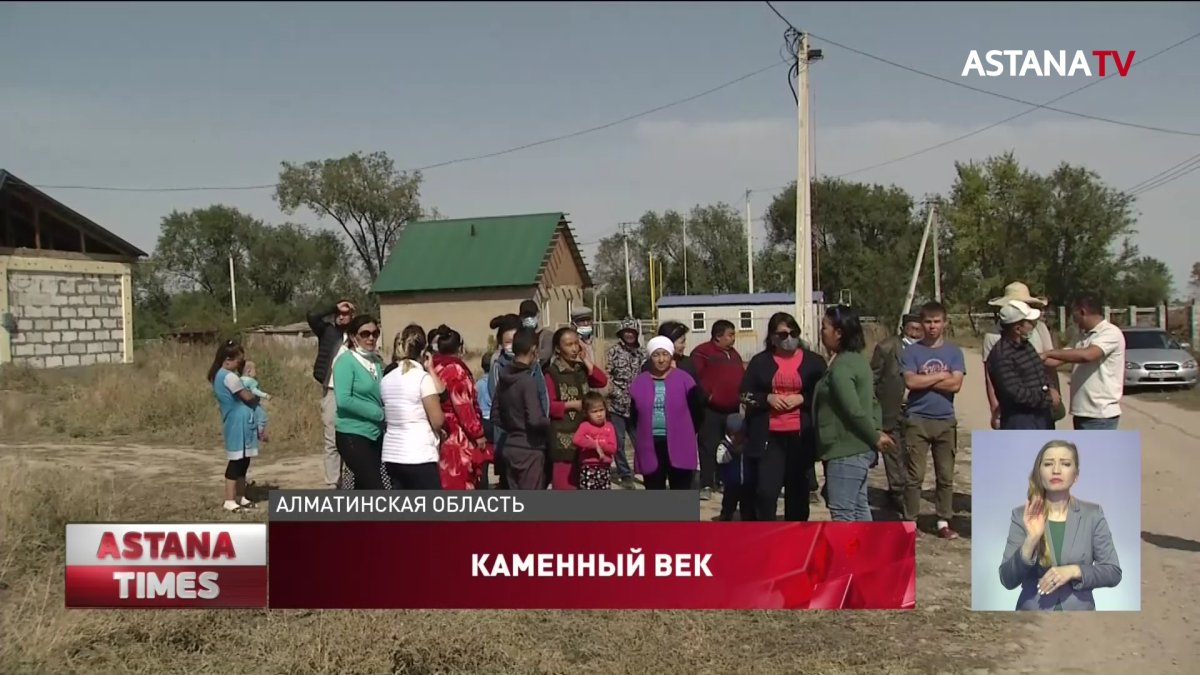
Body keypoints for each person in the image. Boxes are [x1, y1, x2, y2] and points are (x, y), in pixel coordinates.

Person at [998, 440, 1122, 610]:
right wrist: (1031, 540)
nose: (1056, 470)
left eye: (1065, 464)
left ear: (1076, 474)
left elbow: (1113, 572)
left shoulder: (1092, 514)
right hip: (1031, 617)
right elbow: (1007, 579)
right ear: (1039, 472)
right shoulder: (1021, 515)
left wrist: (1074, 571)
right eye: (1048, 464)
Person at [738, 312, 826, 521]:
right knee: (766, 492)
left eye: (793, 332)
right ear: (773, 337)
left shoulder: (814, 362)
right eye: (783, 334)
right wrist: (766, 398)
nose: (789, 338)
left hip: (800, 435)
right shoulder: (760, 362)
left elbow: (824, 395)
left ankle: (795, 536)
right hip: (769, 436)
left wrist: (802, 399)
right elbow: (744, 394)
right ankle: (766, 533)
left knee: (798, 493)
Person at [813, 305, 895, 522]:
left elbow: (853, 409)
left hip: (845, 449)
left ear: (838, 333)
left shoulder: (843, 367)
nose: (822, 332)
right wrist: (875, 430)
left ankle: (848, 556)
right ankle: (867, 555)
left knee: (843, 514)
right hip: (857, 449)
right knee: (859, 508)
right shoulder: (858, 360)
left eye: (824, 328)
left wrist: (874, 435)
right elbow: (873, 402)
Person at [901, 301, 966, 539]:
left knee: (945, 475)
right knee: (914, 475)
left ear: (944, 323)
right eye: (928, 322)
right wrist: (941, 375)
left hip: (945, 419)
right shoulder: (911, 351)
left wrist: (925, 378)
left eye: (937, 321)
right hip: (917, 418)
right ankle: (910, 521)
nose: (932, 326)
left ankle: (943, 521)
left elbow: (956, 384)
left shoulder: (954, 352)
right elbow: (911, 382)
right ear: (921, 323)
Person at [628, 336, 706, 490]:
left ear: (671, 355)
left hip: (680, 443)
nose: (661, 359)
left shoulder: (685, 380)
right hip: (651, 445)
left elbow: (697, 412)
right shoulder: (639, 382)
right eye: (656, 355)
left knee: (681, 490)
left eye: (665, 354)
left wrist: (687, 432)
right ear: (650, 357)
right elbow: (634, 416)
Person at [1040, 292, 1125, 430]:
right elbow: (1058, 359)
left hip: (1100, 416)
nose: (1074, 320)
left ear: (1082, 311)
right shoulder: (1082, 336)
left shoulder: (1110, 333)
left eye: (1074, 315)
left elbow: (1087, 356)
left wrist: (1049, 352)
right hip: (1083, 413)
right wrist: (1032, 358)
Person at [983, 282, 1062, 430]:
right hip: (1020, 418)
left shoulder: (1026, 344)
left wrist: (1051, 388)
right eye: (1028, 322)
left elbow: (1041, 369)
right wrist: (1046, 397)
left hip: (1040, 414)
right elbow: (1015, 392)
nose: (1032, 324)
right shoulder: (1001, 354)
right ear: (1018, 328)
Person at [380, 324, 447, 489]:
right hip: (419, 454)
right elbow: (437, 420)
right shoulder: (422, 379)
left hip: (393, 454)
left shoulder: (386, 379)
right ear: (423, 351)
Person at [544, 327, 610, 490]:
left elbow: (601, 381)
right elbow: (548, 406)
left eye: (576, 344)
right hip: (564, 437)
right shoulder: (551, 373)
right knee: (564, 485)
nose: (574, 349)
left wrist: (586, 359)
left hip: (586, 435)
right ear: (558, 349)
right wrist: (572, 404)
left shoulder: (581, 370)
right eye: (568, 345)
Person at [871, 313, 923, 515]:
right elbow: (874, 377)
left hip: (917, 409)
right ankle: (897, 492)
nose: (916, 332)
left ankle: (907, 491)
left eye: (919, 328)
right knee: (893, 451)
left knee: (912, 453)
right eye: (912, 328)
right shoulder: (886, 347)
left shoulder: (926, 349)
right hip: (892, 407)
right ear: (904, 327)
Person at [428, 325, 491, 490]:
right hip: (456, 434)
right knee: (459, 481)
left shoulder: (433, 367)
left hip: (440, 430)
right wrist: (478, 433)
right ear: (460, 347)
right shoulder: (455, 370)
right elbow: (463, 406)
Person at [690, 319, 746, 501]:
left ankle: (724, 480)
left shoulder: (734, 354)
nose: (733, 338)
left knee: (729, 446)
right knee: (708, 446)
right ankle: (706, 483)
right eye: (730, 335)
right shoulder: (702, 352)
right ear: (718, 336)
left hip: (732, 409)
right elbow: (695, 378)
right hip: (710, 410)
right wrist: (708, 396)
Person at [331, 315, 388, 490]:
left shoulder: (377, 363)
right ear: (354, 336)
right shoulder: (345, 362)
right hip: (352, 433)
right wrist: (378, 413)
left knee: (363, 486)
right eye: (365, 334)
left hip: (375, 434)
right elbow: (344, 400)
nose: (371, 338)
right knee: (375, 485)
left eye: (375, 333)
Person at [492, 328, 551, 489]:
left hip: (510, 446)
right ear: (533, 349)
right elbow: (534, 419)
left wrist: (513, 426)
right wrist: (550, 424)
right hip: (529, 448)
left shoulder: (503, 377)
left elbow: (495, 414)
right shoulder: (527, 381)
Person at [307, 299, 355, 488]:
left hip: (352, 391)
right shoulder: (327, 331)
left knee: (351, 438)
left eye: (346, 313)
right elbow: (312, 316)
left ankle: (350, 481)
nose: (342, 317)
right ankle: (333, 483)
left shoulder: (357, 336)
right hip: (332, 390)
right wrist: (334, 306)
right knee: (332, 439)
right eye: (339, 314)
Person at [207, 341, 260, 512]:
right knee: (236, 461)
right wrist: (256, 395)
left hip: (238, 420)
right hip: (238, 421)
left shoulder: (220, 375)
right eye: (239, 361)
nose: (241, 364)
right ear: (228, 360)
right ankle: (230, 499)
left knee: (244, 460)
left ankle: (240, 496)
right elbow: (247, 396)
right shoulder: (229, 376)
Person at [604, 318, 645, 489]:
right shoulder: (613, 352)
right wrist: (614, 392)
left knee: (641, 442)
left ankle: (646, 470)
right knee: (618, 443)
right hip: (617, 406)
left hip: (637, 406)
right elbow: (607, 375)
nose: (629, 334)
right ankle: (625, 475)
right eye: (626, 331)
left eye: (632, 331)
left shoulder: (642, 353)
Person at [572, 391, 618, 490]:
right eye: (594, 411)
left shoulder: (609, 427)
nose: (599, 414)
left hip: (604, 467)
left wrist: (600, 445)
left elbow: (613, 448)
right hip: (588, 467)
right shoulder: (585, 426)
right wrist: (593, 445)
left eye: (601, 410)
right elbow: (576, 440)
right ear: (586, 413)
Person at [716, 414, 753, 521]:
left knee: (747, 510)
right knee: (728, 506)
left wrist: (745, 448)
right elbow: (720, 459)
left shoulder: (748, 446)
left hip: (747, 484)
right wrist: (733, 451)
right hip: (731, 484)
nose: (737, 437)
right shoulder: (724, 445)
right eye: (734, 434)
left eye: (741, 434)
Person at [239, 360, 271, 442]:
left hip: (243, 404)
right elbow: (255, 391)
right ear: (249, 371)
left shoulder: (239, 380)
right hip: (253, 403)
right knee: (262, 417)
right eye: (255, 369)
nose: (256, 372)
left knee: (249, 418)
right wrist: (265, 395)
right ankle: (260, 434)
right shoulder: (251, 381)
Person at [476, 351, 495, 489]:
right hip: (494, 421)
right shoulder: (497, 383)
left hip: (482, 421)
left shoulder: (478, 384)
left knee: (484, 460)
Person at [519, 299, 555, 364]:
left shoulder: (546, 335)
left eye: (531, 315)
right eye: (525, 316)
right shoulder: (518, 335)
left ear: (538, 315)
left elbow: (545, 355)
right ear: (520, 317)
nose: (529, 318)